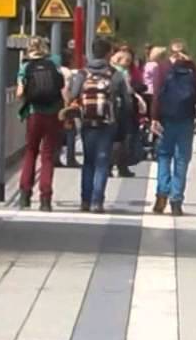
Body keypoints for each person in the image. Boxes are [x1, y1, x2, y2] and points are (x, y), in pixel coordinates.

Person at [67, 37, 130, 213]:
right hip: (108, 123)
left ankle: (85, 201)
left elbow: (73, 95)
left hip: (87, 123)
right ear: (109, 53)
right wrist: (124, 125)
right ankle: (97, 201)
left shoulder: (83, 73)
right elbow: (126, 102)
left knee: (88, 161)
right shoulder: (115, 74)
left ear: (92, 52)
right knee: (102, 162)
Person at [150, 39, 196, 216]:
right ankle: (176, 201)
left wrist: (154, 118)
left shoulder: (162, 67)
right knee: (181, 159)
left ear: (169, 52)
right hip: (186, 119)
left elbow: (157, 95)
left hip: (166, 120)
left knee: (164, 156)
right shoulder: (193, 69)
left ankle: (162, 195)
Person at [15, 37, 65, 210]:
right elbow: (62, 87)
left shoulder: (26, 67)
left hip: (34, 114)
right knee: (48, 155)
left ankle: (25, 195)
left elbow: (19, 93)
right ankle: (45, 199)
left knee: (31, 152)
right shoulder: (54, 64)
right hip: (52, 114)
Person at [109, 48, 141, 178]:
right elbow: (126, 92)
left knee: (112, 140)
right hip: (120, 110)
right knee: (121, 140)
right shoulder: (121, 74)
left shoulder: (109, 71)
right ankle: (121, 167)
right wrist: (130, 108)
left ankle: (109, 167)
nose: (128, 63)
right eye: (126, 60)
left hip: (108, 108)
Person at [57, 39, 80, 168]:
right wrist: (68, 104)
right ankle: (70, 159)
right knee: (71, 132)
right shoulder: (67, 73)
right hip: (64, 104)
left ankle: (56, 157)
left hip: (55, 104)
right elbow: (65, 89)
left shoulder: (57, 70)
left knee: (58, 132)